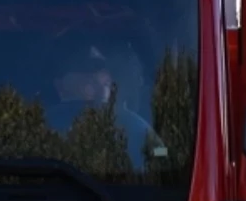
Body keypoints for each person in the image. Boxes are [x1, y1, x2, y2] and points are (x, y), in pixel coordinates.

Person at [45, 37, 160, 168]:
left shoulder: (135, 128)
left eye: (103, 70)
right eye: (86, 69)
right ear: (59, 84)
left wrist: (149, 151)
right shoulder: (44, 124)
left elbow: (163, 152)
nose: (99, 78)